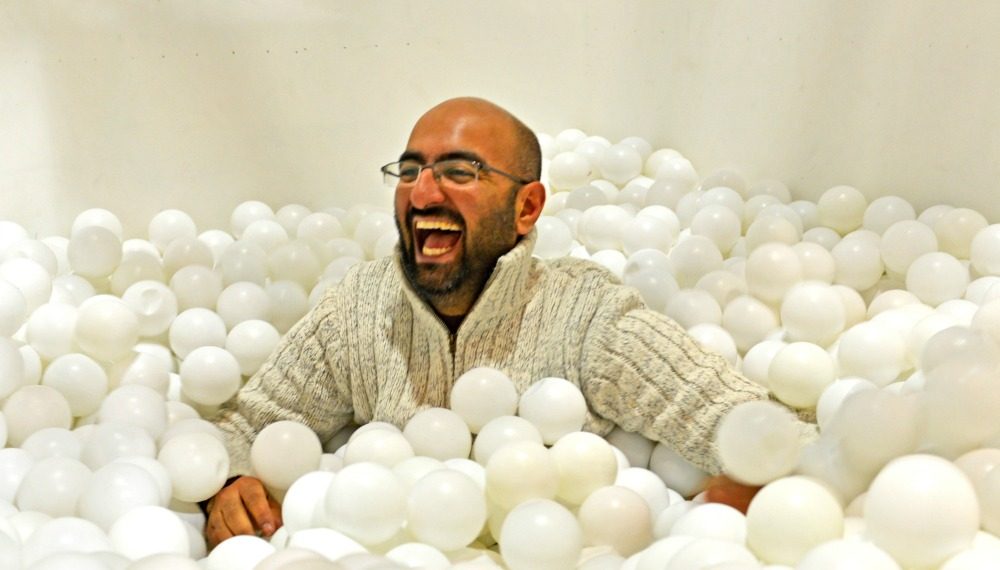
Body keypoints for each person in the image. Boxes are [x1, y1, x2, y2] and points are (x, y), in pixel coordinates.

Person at [204, 96, 797, 548]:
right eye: (409, 172)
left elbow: (762, 424)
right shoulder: (358, 311)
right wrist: (227, 487)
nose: (421, 192)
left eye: (459, 172)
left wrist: (760, 482)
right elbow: (244, 426)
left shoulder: (587, 316)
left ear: (527, 208)